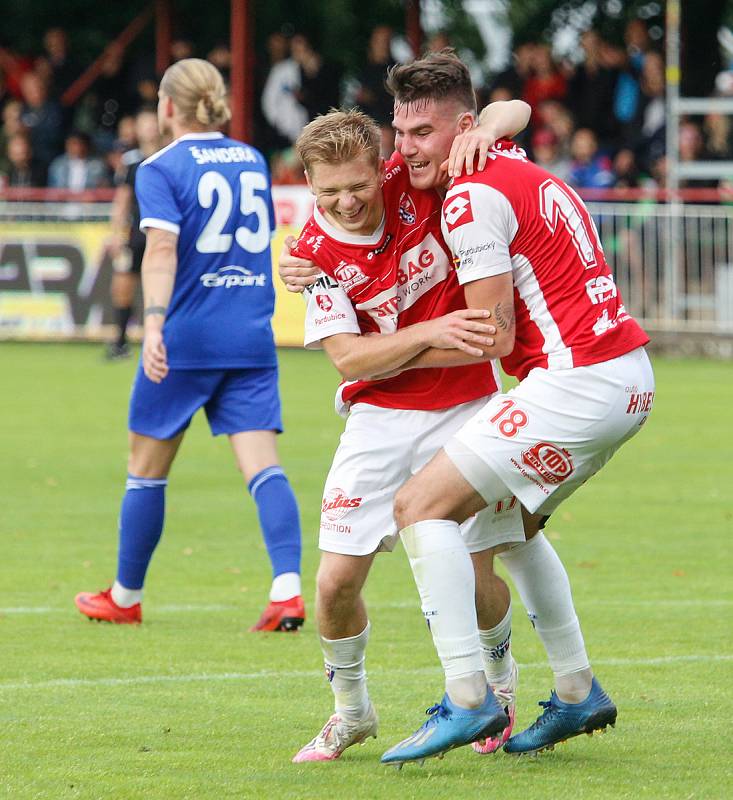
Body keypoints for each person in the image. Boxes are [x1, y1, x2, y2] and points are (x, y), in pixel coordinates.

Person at [379, 51, 653, 764]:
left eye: (421, 133)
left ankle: (468, 698)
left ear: (462, 129)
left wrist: (383, 355)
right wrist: (494, 118)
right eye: (399, 131)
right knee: (510, 530)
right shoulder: (502, 159)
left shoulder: (467, 197)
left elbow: (490, 336)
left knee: (417, 507)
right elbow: (512, 115)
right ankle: (575, 689)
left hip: (575, 382)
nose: (405, 147)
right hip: (624, 376)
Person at [281, 103, 531, 764]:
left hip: (467, 404)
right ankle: (351, 712)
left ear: (382, 168)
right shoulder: (312, 251)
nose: (344, 202)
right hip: (378, 420)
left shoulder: (413, 181)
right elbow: (349, 359)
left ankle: (499, 691)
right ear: (308, 185)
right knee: (334, 584)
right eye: (326, 191)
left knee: (478, 568)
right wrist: (426, 333)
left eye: (356, 186)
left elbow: (515, 109)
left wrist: (480, 130)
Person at [74, 58, 304, 632]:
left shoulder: (160, 166)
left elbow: (160, 251)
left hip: (186, 338)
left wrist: (152, 324)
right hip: (251, 333)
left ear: (169, 107)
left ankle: (126, 597)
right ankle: (287, 589)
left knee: (145, 469)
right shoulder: (252, 160)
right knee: (264, 468)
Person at [104, 108, 164, 360]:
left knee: (165, 284)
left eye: (153, 123)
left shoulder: (169, 156)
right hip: (136, 233)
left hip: (163, 234)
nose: (150, 128)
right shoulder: (131, 162)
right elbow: (122, 199)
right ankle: (120, 341)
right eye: (145, 124)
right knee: (123, 283)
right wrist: (116, 233)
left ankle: (166, 340)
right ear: (137, 130)